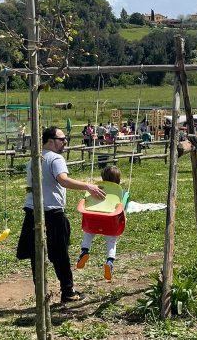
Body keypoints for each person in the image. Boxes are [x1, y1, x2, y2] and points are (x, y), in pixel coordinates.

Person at [16, 127, 105, 303]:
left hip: (32, 211)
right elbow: (62, 180)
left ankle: (41, 293)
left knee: (36, 255)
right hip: (52, 213)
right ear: (50, 141)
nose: (65, 142)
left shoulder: (34, 160)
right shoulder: (56, 158)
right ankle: (68, 291)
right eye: (62, 139)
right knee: (60, 254)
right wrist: (89, 186)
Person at [76, 163, 125, 282]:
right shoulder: (119, 193)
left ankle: (84, 251)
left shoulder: (95, 189)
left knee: (88, 233)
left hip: (94, 219)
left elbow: (86, 202)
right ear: (118, 180)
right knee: (111, 241)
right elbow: (122, 208)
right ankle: (109, 261)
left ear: (103, 178)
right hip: (110, 221)